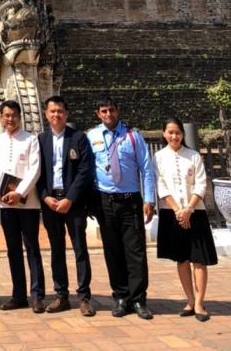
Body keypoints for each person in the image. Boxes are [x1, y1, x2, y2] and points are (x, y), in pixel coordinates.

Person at [87, 94, 156, 320]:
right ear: (98, 114)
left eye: (111, 110)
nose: (108, 114)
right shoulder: (92, 136)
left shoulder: (133, 136)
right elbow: (87, 169)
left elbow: (146, 168)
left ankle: (138, 299)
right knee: (113, 250)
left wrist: (149, 200)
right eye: (104, 111)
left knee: (135, 251)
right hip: (104, 201)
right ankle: (120, 297)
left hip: (130, 200)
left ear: (118, 111)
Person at [153, 116, 218, 322]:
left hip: (195, 212)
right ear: (164, 134)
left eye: (178, 132)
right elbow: (160, 185)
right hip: (171, 212)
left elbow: (201, 183)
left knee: (199, 259)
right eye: (170, 132)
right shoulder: (158, 157)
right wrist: (178, 210)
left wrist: (189, 208)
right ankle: (189, 300)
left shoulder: (193, 156)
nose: (174, 136)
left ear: (182, 134)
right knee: (182, 258)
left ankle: (199, 302)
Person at [37, 95, 95, 317]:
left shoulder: (78, 138)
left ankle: (84, 296)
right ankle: (61, 294)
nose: (56, 115)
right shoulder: (41, 140)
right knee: (56, 249)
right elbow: (37, 172)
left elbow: (85, 170)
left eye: (60, 111)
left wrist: (70, 198)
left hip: (74, 203)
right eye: (52, 111)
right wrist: (45, 197)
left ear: (66, 113)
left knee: (80, 248)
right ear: (46, 114)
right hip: (51, 202)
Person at [0, 99, 45, 314]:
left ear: (20, 117)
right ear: (1, 118)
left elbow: (35, 170)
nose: (10, 119)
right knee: (13, 250)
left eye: (14, 115)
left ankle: (37, 295)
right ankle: (18, 295)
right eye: (6, 115)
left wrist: (19, 192)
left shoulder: (31, 140)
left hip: (28, 203)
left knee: (32, 248)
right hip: (6, 204)